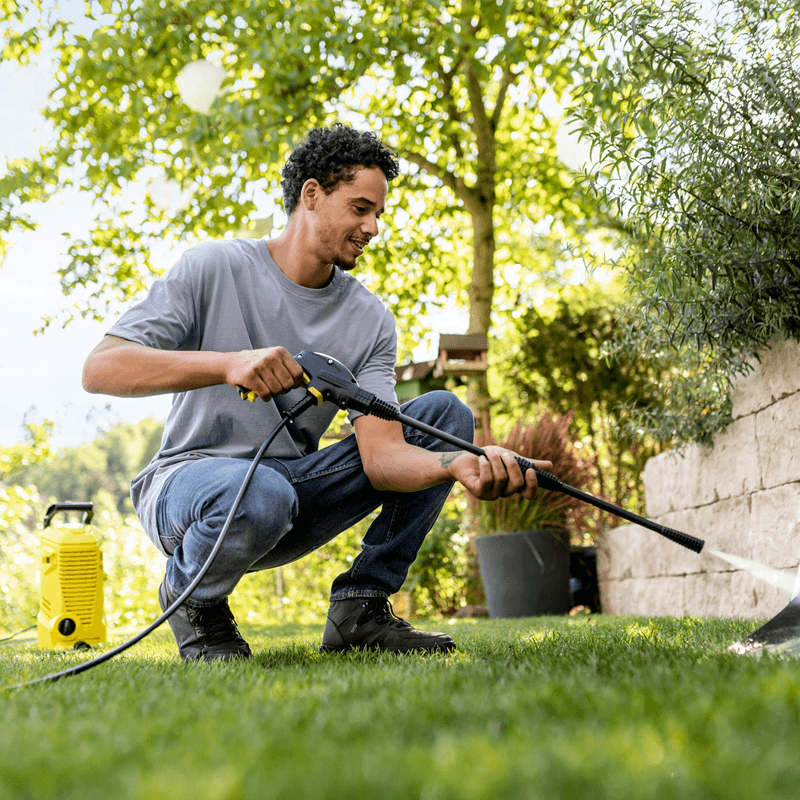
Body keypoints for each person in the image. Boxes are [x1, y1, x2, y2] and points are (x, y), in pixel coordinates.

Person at [82, 123, 551, 662]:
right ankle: (196, 603)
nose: (373, 227)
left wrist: (453, 465)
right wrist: (229, 363)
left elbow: (383, 459)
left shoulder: (369, 320)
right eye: (359, 208)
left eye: (377, 213)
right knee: (259, 491)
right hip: (187, 489)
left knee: (444, 414)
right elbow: (101, 369)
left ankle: (361, 607)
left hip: (289, 494)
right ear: (312, 195)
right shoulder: (212, 268)